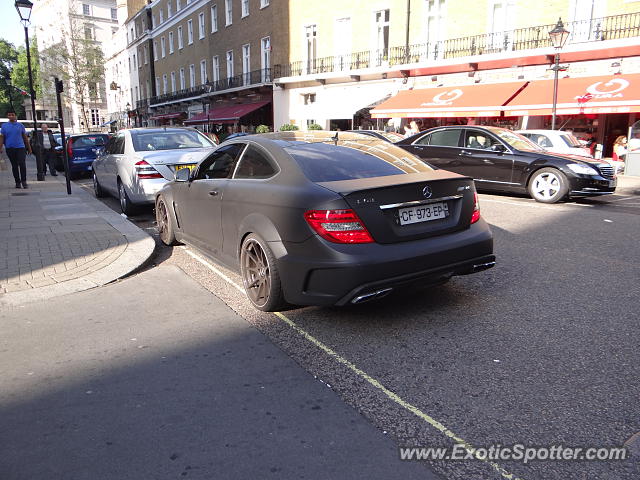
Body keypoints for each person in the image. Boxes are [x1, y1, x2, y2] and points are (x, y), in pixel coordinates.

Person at [0, 110, 32, 188]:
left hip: (20, 147)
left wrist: (29, 148)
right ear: (7, 116)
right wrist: (0, 147)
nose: (11, 116)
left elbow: (25, 137)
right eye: (9, 115)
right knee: (14, 166)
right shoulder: (4, 126)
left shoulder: (20, 125)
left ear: (15, 116)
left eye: (12, 115)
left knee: (22, 164)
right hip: (10, 148)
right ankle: (17, 182)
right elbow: (2, 138)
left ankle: (24, 181)